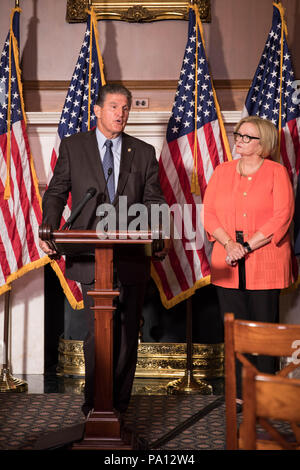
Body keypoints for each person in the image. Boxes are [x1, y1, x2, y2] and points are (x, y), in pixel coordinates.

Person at [39, 83, 168, 417]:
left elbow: (154, 199)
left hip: (130, 256)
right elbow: (56, 192)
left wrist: (159, 231)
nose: (120, 114)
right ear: (97, 110)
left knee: (127, 334)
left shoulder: (142, 152)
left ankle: (119, 406)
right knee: (99, 331)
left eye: (125, 108)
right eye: (113, 107)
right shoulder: (73, 147)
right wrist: (48, 226)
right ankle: (95, 404)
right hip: (89, 255)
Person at [203, 115, 295, 407]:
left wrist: (245, 246)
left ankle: (265, 397)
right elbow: (209, 214)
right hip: (226, 259)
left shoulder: (277, 172)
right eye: (238, 134)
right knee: (235, 332)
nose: (238, 140)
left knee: (264, 333)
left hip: (265, 261)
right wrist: (230, 244)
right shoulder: (222, 171)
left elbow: (281, 217)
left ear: (262, 144)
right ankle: (240, 395)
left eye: (246, 137)